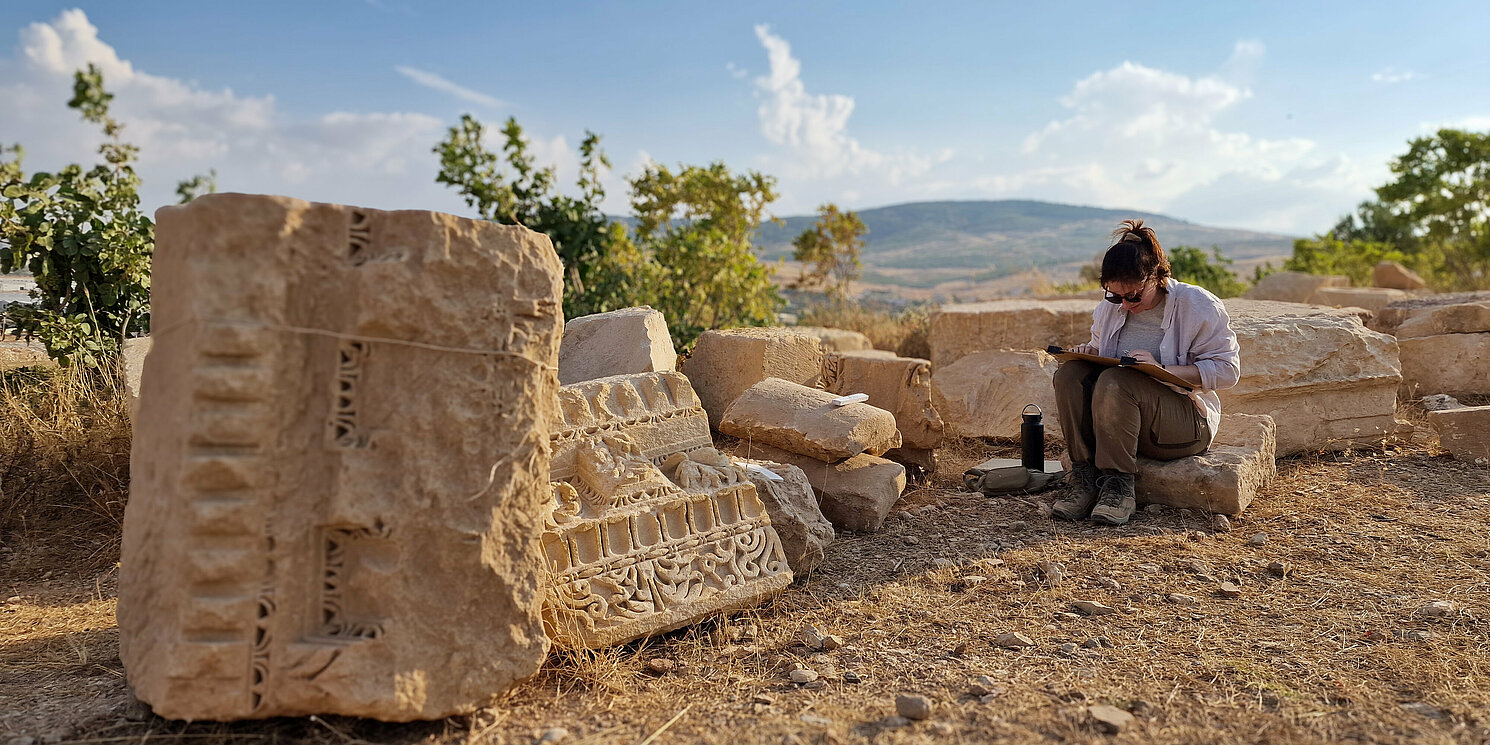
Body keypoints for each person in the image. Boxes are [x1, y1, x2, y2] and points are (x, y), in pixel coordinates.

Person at [1051, 219, 1241, 525]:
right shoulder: (1108, 309)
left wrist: (1161, 369)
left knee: (1118, 380)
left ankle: (1119, 488)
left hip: (1184, 423)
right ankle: (1085, 480)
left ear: (1157, 277)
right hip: (1123, 423)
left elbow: (1228, 370)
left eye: (1133, 296)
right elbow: (1105, 357)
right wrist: (1089, 354)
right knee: (1070, 374)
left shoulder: (1198, 305)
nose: (1124, 305)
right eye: (1115, 296)